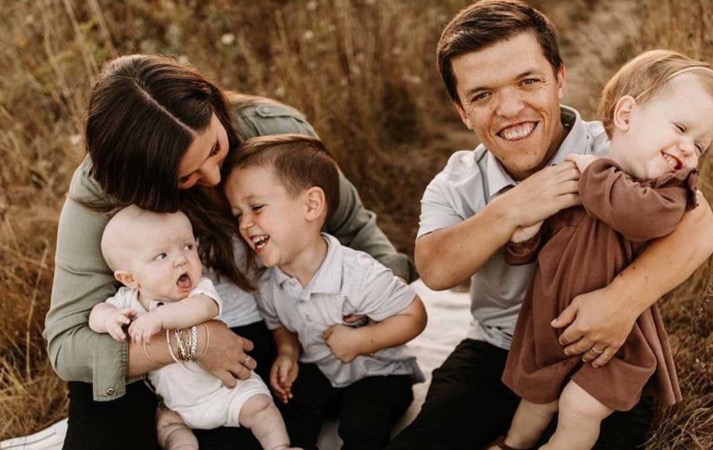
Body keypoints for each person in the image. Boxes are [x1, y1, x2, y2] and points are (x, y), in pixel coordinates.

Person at [386, 2, 713, 449]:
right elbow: (434, 269)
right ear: (463, 111)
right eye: (482, 95)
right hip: (499, 349)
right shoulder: (457, 182)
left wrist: (621, 302)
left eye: (528, 82)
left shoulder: (618, 149)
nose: (510, 108)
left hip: (597, 348)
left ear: (559, 78)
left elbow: (702, 227)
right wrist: (513, 209)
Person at [44, 54, 415, 450]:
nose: (213, 176)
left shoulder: (272, 132)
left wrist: (370, 306)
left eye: (216, 148)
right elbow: (68, 344)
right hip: (146, 346)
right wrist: (192, 341)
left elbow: (357, 233)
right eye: (184, 177)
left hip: (259, 335)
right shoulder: (102, 187)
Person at [492, 50, 713, 450]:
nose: (688, 149)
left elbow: (637, 217)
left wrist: (591, 175)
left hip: (618, 341)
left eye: (700, 145)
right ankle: (513, 444)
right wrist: (526, 236)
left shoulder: (668, 194)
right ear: (626, 116)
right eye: (680, 128)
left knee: (578, 408)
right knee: (535, 401)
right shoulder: (579, 177)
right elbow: (534, 250)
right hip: (553, 326)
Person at [224, 134, 427, 450]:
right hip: (322, 371)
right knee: (286, 409)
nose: (245, 224)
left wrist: (361, 340)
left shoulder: (357, 273)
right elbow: (278, 324)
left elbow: (413, 315)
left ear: (311, 205)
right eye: (238, 214)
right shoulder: (268, 284)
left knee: (361, 423)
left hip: (379, 373)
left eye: (256, 207)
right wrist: (288, 352)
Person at [89, 206, 300, 450]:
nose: (181, 259)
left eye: (188, 246)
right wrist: (109, 318)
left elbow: (202, 309)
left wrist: (159, 318)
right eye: (161, 256)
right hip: (177, 406)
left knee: (261, 407)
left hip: (226, 392)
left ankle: (279, 446)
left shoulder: (199, 291)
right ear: (130, 279)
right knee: (168, 427)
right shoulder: (128, 301)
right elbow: (96, 314)